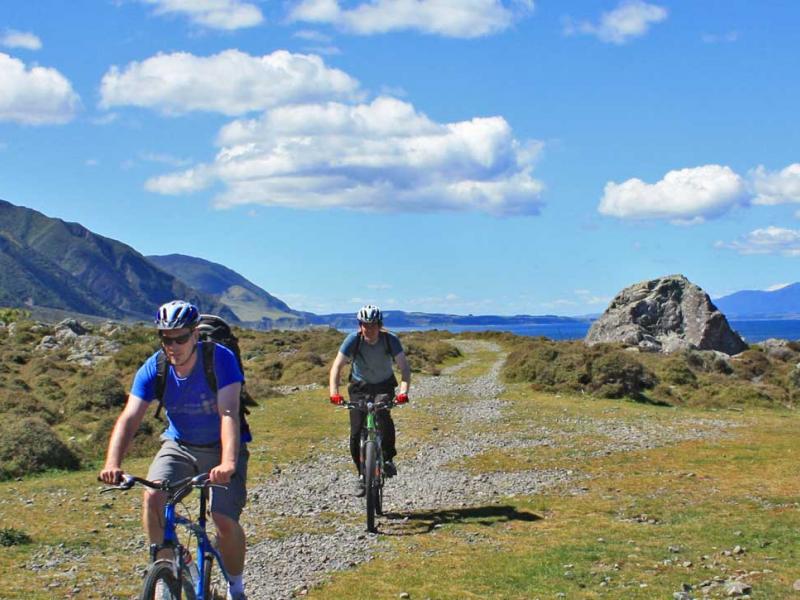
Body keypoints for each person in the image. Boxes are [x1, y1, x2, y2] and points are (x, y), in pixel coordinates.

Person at [99, 300, 249, 600]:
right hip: (179, 445)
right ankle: (164, 575)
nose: (173, 345)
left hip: (222, 447)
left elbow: (229, 413)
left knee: (222, 519)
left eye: (181, 337)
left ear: (195, 335)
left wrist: (228, 463)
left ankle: (235, 587)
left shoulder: (220, 359)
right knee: (153, 495)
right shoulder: (154, 368)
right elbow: (129, 417)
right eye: (166, 338)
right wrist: (112, 463)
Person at [329, 304, 411, 497]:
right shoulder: (353, 340)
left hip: (384, 386)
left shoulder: (390, 340)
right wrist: (334, 392)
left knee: (382, 415)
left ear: (379, 325)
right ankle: (361, 476)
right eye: (365, 325)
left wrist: (403, 391)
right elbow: (336, 368)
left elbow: (405, 369)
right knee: (356, 431)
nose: (369, 329)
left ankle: (388, 458)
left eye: (373, 325)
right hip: (359, 387)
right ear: (360, 325)